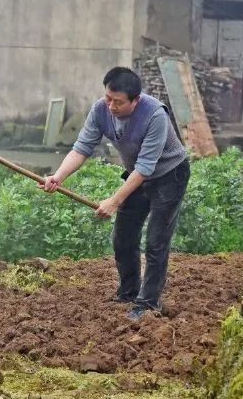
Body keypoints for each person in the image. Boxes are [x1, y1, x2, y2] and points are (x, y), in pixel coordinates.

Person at [41, 67, 190, 320]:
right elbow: (82, 148)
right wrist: (58, 176)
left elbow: (145, 167)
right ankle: (129, 292)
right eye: (108, 98)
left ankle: (147, 304)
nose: (111, 106)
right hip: (137, 175)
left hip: (169, 176)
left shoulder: (155, 115)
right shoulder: (101, 109)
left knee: (155, 242)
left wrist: (114, 200)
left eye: (118, 102)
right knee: (123, 237)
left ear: (136, 100)